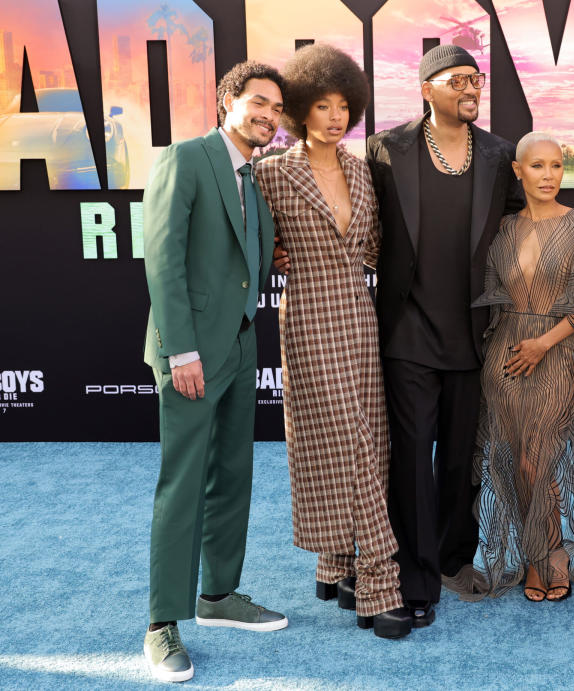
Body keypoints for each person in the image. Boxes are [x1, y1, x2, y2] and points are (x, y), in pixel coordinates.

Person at [365, 44, 524, 624]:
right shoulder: (386, 149)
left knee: (462, 460)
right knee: (410, 459)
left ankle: (456, 557)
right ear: (427, 87)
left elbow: (521, 234)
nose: (471, 88)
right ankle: (415, 576)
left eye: (476, 80)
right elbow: (358, 218)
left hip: (476, 332)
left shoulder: (500, 155)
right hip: (409, 330)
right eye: (458, 80)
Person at [256, 44, 410, 640]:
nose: (335, 116)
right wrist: (271, 253)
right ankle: (378, 581)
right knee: (346, 440)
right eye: (321, 105)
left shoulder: (361, 168)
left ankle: (336, 563)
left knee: (368, 440)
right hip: (310, 315)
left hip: (360, 314)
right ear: (299, 110)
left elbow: (374, 246)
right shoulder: (272, 172)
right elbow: (248, 240)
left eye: (344, 105)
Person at [141, 61, 287, 682]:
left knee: (233, 475)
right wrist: (181, 351)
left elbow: (241, 254)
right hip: (192, 351)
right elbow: (163, 258)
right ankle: (161, 623)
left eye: (277, 108)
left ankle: (219, 596)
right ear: (227, 100)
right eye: (259, 102)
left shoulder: (251, 177)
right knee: (184, 484)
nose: (269, 116)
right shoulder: (187, 157)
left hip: (240, 343)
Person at [459, 132, 574, 602]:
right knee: (512, 461)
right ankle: (539, 554)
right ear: (518, 172)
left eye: (555, 165)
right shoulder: (503, 229)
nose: (548, 176)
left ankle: (550, 553)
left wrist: (544, 343)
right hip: (506, 356)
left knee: (539, 459)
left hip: (557, 352)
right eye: (537, 166)